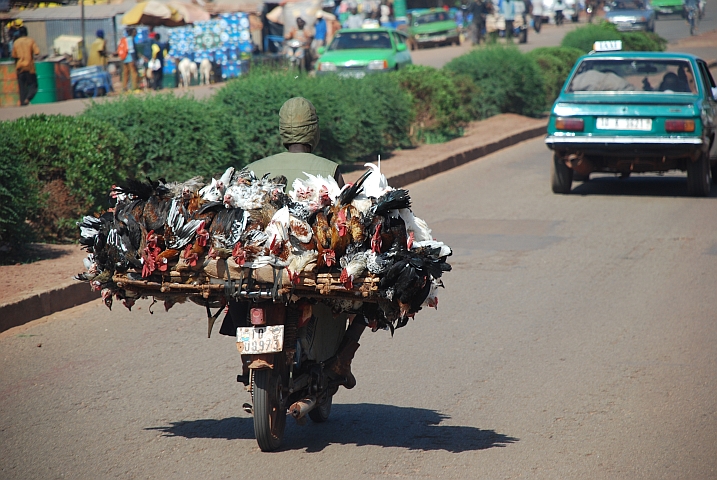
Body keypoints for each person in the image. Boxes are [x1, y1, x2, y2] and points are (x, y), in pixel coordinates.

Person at [219, 97, 365, 390]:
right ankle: (342, 359)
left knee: (234, 293)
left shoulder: (254, 167)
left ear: (283, 130)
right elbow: (345, 219)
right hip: (304, 270)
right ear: (314, 131)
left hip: (258, 266)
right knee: (364, 298)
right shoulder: (329, 168)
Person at [11, 26, 40, 106]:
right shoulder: (31, 41)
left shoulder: (16, 42)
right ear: (26, 33)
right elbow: (37, 52)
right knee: (34, 85)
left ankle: (23, 104)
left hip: (19, 67)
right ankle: (28, 98)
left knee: (22, 88)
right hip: (29, 67)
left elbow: (14, 55)